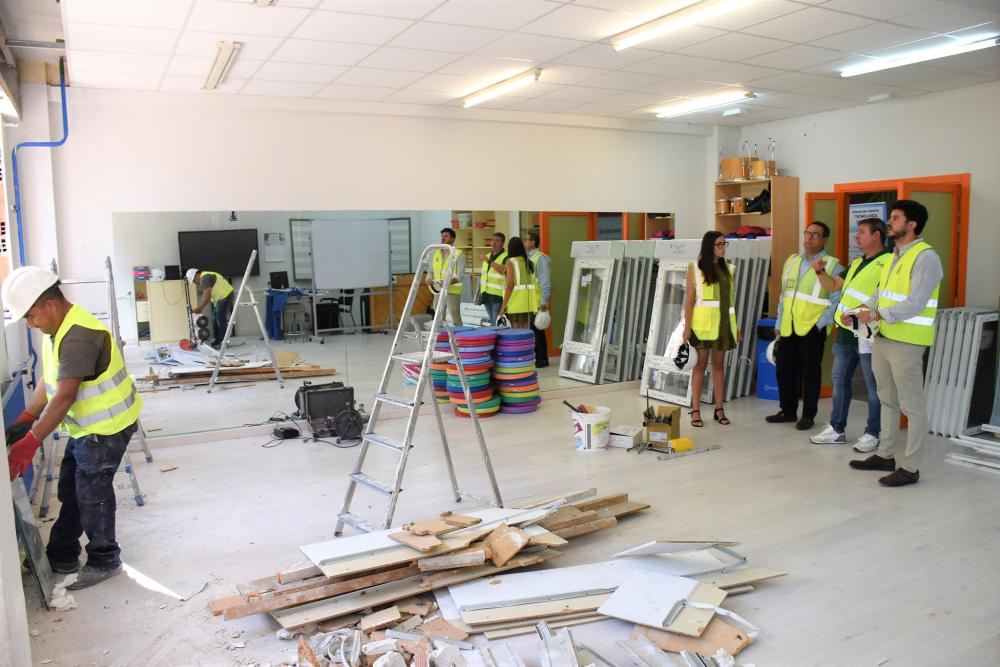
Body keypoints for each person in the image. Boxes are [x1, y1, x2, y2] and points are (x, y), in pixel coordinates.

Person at [2, 267, 143, 590]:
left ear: (49, 304)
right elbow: (51, 382)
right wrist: (26, 416)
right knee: (72, 488)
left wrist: (31, 441)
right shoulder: (58, 329)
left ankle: (105, 558)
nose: (30, 324)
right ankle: (62, 552)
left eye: (31, 316)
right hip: (86, 428)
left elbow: (65, 396)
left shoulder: (78, 336)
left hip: (107, 429)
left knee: (92, 494)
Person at [850, 200, 942, 487]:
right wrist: (858, 309)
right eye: (891, 217)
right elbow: (881, 294)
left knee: (912, 408)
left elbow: (916, 302)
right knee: (886, 399)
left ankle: (911, 468)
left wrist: (878, 314)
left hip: (908, 343)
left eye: (896, 218)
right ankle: (885, 454)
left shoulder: (926, 257)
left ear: (912, 224)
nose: (889, 222)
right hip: (884, 338)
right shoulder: (893, 256)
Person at [809, 218, 890, 450]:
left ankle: (873, 433)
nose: (857, 236)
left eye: (862, 232)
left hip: (868, 333)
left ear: (876, 235)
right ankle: (836, 429)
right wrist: (820, 271)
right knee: (840, 380)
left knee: (874, 386)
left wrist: (862, 314)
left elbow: (884, 299)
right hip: (846, 333)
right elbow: (834, 285)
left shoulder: (887, 263)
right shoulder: (856, 263)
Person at [766, 221, 843, 430]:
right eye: (807, 233)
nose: (809, 238)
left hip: (812, 328)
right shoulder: (792, 261)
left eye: (815, 235)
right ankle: (788, 411)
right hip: (789, 326)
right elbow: (785, 295)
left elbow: (837, 301)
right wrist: (780, 323)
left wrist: (821, 324)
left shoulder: (832, 264)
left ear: (824, 239)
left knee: (810, 372)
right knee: (784, 369)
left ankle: (808, 415)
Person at [683, 231, 739, 427]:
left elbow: (729, 303)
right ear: (710, 247)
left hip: (723, 326)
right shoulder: (695, 268)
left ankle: (719, 409)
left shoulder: (729, 269)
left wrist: (735, 327)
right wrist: (687, 328)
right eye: (719, 244)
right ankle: (695, 410)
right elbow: (689, 301)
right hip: (701, 327)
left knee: (718, 367)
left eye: (725, 244)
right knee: (699, 366)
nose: (723, 247)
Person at [498, 237, 541, 329]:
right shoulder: (529, 262)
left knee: (516, 334)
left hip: (515, 302)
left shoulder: (511, 262)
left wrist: (503, 306)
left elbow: (509, 286)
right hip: (528, 302)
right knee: (526, 331)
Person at [186, 268, 235, 348]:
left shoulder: (204, 278)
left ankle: (223, 341)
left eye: (194, 281)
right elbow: (206, 295)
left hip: (225, 296)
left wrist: (199, 308)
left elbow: (206, 297)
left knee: (220, 319)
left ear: (195, 276)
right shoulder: (205, 276)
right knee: (216, 319)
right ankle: (219, 341)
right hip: (222, 297)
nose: (196, 284)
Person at [524, 231, 551, 367]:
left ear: (533, 242)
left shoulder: (540, 258)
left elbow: (545, 281)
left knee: (538, 330)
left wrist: (544, 302)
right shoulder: (528, 258)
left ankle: (543, 358)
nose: (525, 242)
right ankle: (537, 356)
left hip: (538, 300)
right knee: (533, 330)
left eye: (527, 240)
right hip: (529, 300)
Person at [429, 227, 466, 325]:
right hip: (438, 291)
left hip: (452, 291)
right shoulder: (436, 253)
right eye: (442, 236)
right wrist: (428, 278)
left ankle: (459, 338)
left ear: (452, 239)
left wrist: (447, 282)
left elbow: (460, 276)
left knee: (455, 317)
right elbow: (430, 269)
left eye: (446, 236)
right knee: (438, 317)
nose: (442, 238)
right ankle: (441, 337)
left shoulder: (459, 254)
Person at [478, 233, 508, 325]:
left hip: (498, 295)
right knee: (492, 321)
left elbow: (502, 270)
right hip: (486, 293)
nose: (494, 243)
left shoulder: (506, 256)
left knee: (497, 321)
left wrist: (488, 260)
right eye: (492, 240)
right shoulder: (487, 255)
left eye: (497, 240)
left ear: (503, 243)